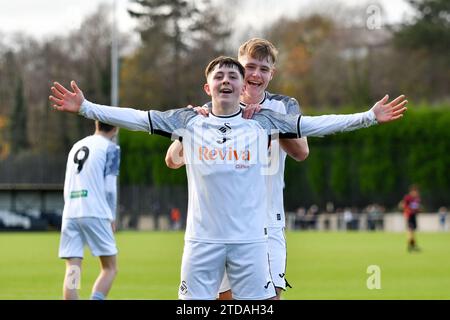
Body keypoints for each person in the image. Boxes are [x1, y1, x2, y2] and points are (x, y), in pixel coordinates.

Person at [49, 56, 407, 300]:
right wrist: (85, 107)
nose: (225, 80)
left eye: (232, 76)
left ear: (242, 86)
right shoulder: (189, 121)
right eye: (218, 76)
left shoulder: (263, 122)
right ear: (207, 87)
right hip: (201, 244)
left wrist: (369, 116)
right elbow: (137, 118)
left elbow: (318, 125)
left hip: (251, 243)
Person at [165, 38, 309, 300]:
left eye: (263, 69)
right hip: (221, 225)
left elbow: (301, 152)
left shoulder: (283, 106)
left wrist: (265, 120)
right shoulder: (212, 109)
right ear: (240, 71)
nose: (255, 75)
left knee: (269, 299)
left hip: (267, 220)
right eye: (250, 67)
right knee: (226, 298)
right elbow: (172, 160)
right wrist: (188, 128)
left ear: (271, 74)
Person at [58, 120, 120, 300]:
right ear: (116, 127)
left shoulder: (77, 145)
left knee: (73, 269)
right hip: (95, 212)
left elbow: (68, 183)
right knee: (110, 268)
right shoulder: (111, 148)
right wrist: (112, 216)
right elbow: (109, 188)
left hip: (71, 212)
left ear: (96, 124)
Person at [401, 184, 421, 252]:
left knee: (413, 231)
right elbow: (404, 205)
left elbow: (416, 207)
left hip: (414, 216)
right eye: (416, 191)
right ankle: (410, 245)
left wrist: (418, 210)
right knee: (410, 230)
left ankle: (413, 245)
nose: (417, 193)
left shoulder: (417, 198)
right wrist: (407, 212)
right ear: (412, 191)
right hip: (409, 216)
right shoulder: (408, 198)